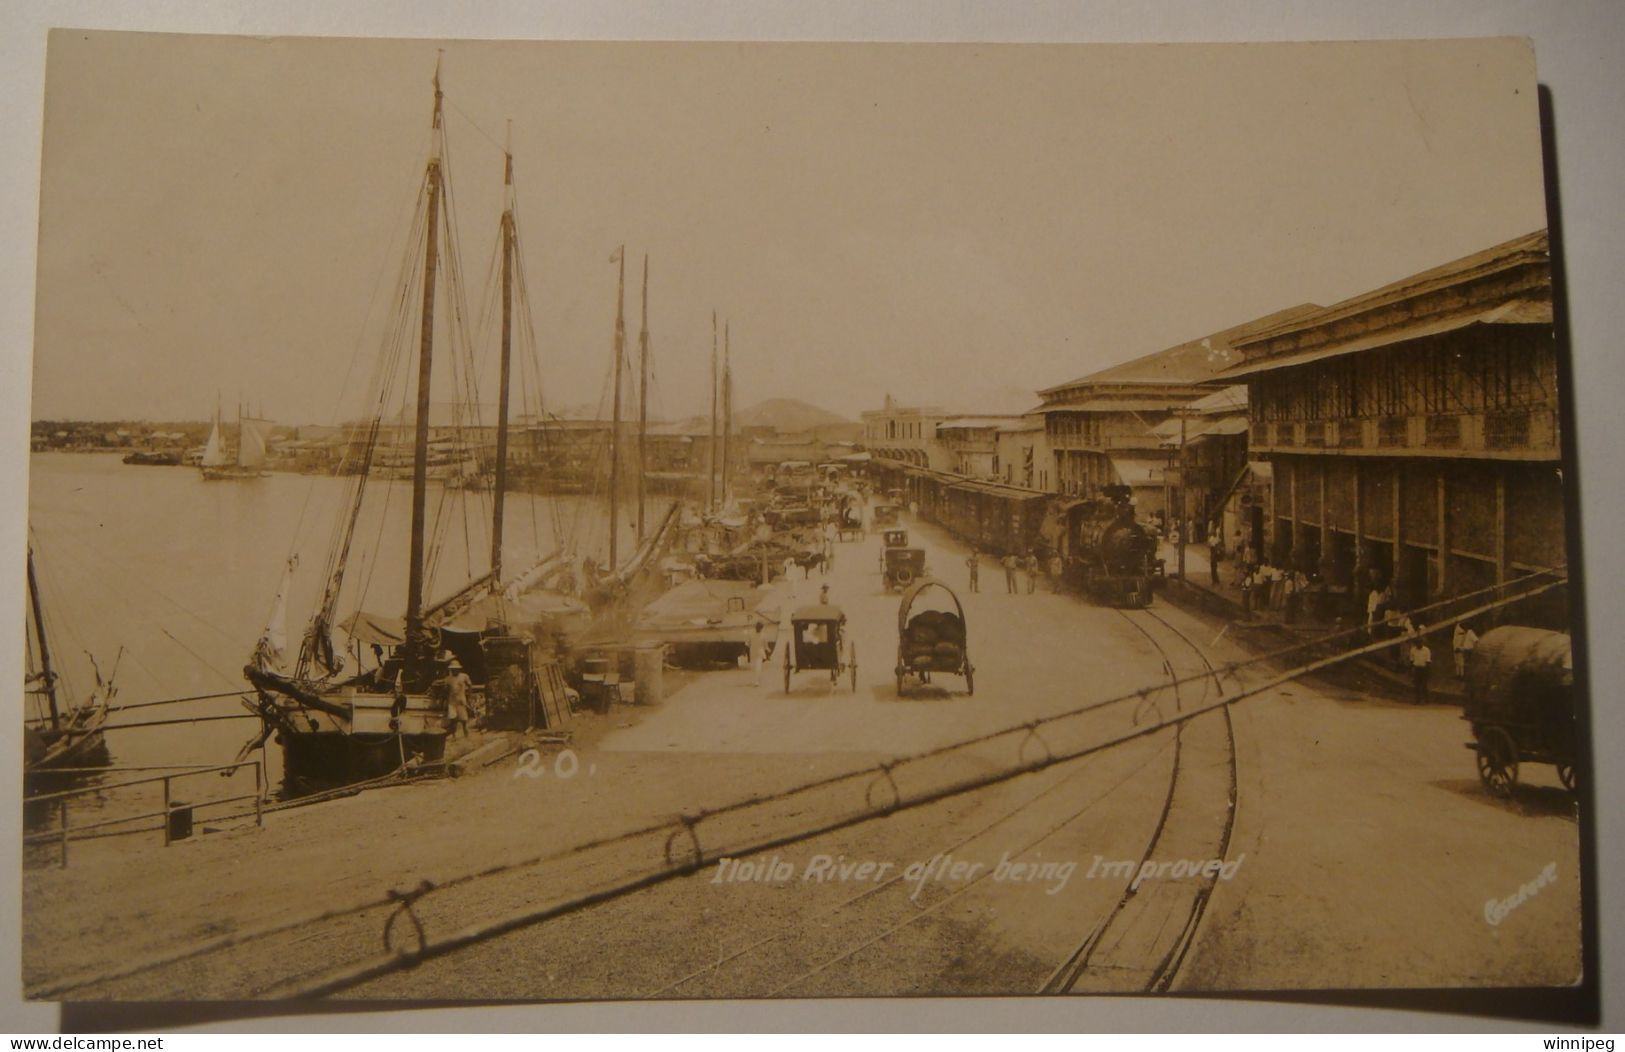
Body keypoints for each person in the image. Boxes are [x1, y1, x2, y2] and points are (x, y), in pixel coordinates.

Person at [445, 659, 473, 738]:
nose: (454, 671)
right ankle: (454, 736)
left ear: (459, 669)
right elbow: (446, 690)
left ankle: (466, 734)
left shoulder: (464, 676)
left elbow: (470, 685)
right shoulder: (448, 679)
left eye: (456, 669)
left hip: (461, 700)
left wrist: (469, 696)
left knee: (464, 719)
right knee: (452, 719)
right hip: (452, 701)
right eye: (453, 669)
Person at [1409, 630, 1433, 705]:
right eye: (1417, 643)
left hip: (1424, 669)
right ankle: (1417, 700)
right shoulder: (1413, 650)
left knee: (1424, 685)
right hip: (1416, 669)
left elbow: (1428, 661)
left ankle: (1426, 700)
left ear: (1422, 643)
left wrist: (1428, 671)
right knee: (1416, 685)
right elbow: (1411, 661)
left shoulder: (1426, 650)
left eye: (1420, 643)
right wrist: (1411, 670)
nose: (1418, 644)